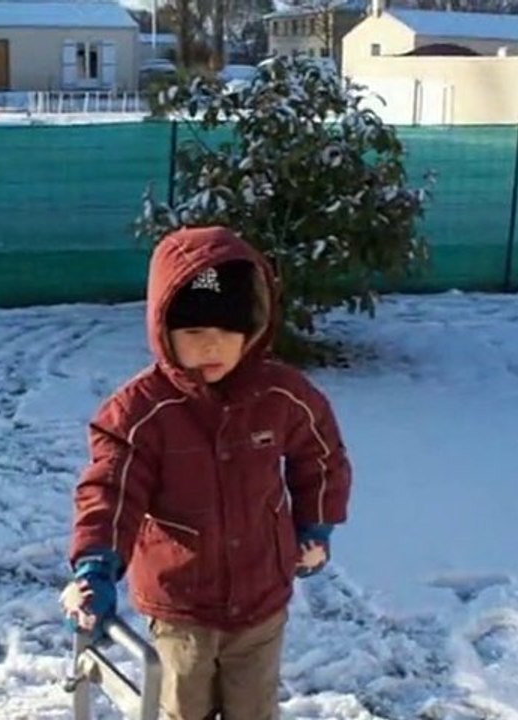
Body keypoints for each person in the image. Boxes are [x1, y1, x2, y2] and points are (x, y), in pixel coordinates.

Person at [61, 225, 352, 720]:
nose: (212, 347)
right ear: (164, 331)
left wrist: (315, 524)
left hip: (262, 596)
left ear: (253, 328)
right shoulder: (140, 413)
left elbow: (320, 454)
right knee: (182, 708)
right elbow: (110, 490)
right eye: (194, 333)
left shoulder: (281, 395)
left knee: (253, 708)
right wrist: (97, 565)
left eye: (227, 332)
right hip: (182, 606)